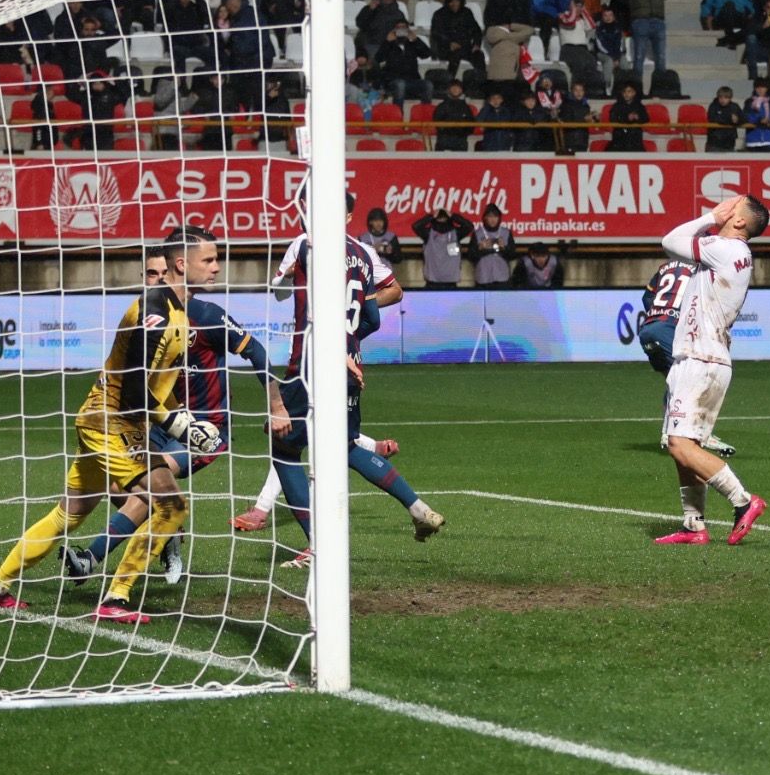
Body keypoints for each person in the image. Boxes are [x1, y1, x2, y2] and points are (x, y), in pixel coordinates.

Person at [0, 227, 239, 623]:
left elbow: (155, 382)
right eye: (210, 260)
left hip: (102, 420)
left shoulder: (179, 312)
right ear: (182, 264)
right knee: (171, 504)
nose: (217, 267)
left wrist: (183, 416)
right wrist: (180, 427)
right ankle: (115, 599)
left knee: (68, 514)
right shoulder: (156, 315)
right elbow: (135, 390)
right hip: (112, 424)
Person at [61, 248, 291, 587]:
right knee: (117, 486)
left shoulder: (207, 315)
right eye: (149, 275)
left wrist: (277, 406)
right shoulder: (146, 317)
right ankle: (168, 536)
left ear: (174, 271)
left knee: (152, 483)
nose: (155, 281)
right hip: (161, 422)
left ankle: (90, 559)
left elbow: (256, 351)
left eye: (160, 274)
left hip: (204, 427)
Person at [265, 221, 446, 568]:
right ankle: (418, 508)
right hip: (351, 364)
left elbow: (278, 292)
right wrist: (348, 345)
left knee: (283, 447)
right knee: (344, 445)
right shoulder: (363, 254)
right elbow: (374, 318)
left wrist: (286, 278)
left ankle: (317, 547)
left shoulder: (306, 243)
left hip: (312, 364)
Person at [652, 194, 770, 545]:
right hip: (704, 357)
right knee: (686, 445)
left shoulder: (727, 248)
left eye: (729, 208)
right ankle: (693, 525)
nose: (722, 209)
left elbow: (668, 242)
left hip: (700, 359)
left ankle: (743, 500)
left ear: (738, 221)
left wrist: (708, 216)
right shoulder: (735, 254)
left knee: (679, 445)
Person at [639, 259, 737, 459]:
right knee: (694, 378)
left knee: (675, 378)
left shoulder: (666, 266)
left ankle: (671, 432)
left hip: (648, 329)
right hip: (668, 329)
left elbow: (647, 297)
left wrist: (660, 314)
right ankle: (698, 433)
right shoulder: (704, 269)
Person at [412, 208, 475, 289]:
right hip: (432, 282)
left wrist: (453, 215)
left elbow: (469, 226)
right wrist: (431, 216)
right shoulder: (428, 233)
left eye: (444, 218)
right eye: (439, 218)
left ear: (449, 219)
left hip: (451, 281)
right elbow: (416, 226)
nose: (442, 221)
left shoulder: (456, 233)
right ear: (435, 219)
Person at [471, 204, 515, 287]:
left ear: (499, 218)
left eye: (495, 216)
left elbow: (512, 255)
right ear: (485, 218)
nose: (493, 219)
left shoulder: (506, 233)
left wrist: (503, 248)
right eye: (490, 216)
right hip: (483, 277)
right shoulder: (477, 233)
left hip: (502, 277)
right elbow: (471, 256)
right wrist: (480, 248)